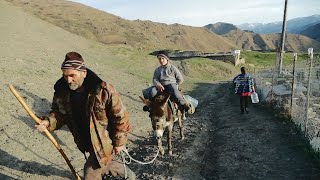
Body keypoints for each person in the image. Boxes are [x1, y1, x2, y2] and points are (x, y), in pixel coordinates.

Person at [35, 52, 136, 180]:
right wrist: (48, 122)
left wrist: (119, 142)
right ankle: (129, 175)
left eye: (72, 75)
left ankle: (127, 175)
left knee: (91, 173)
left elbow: (120, 116)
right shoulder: (62, 91)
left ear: (84, 73)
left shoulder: (103, 91)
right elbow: (60, 114)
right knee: (106, 162)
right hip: (85, 140)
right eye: (65, 76)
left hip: (106, 141)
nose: (68, 80)